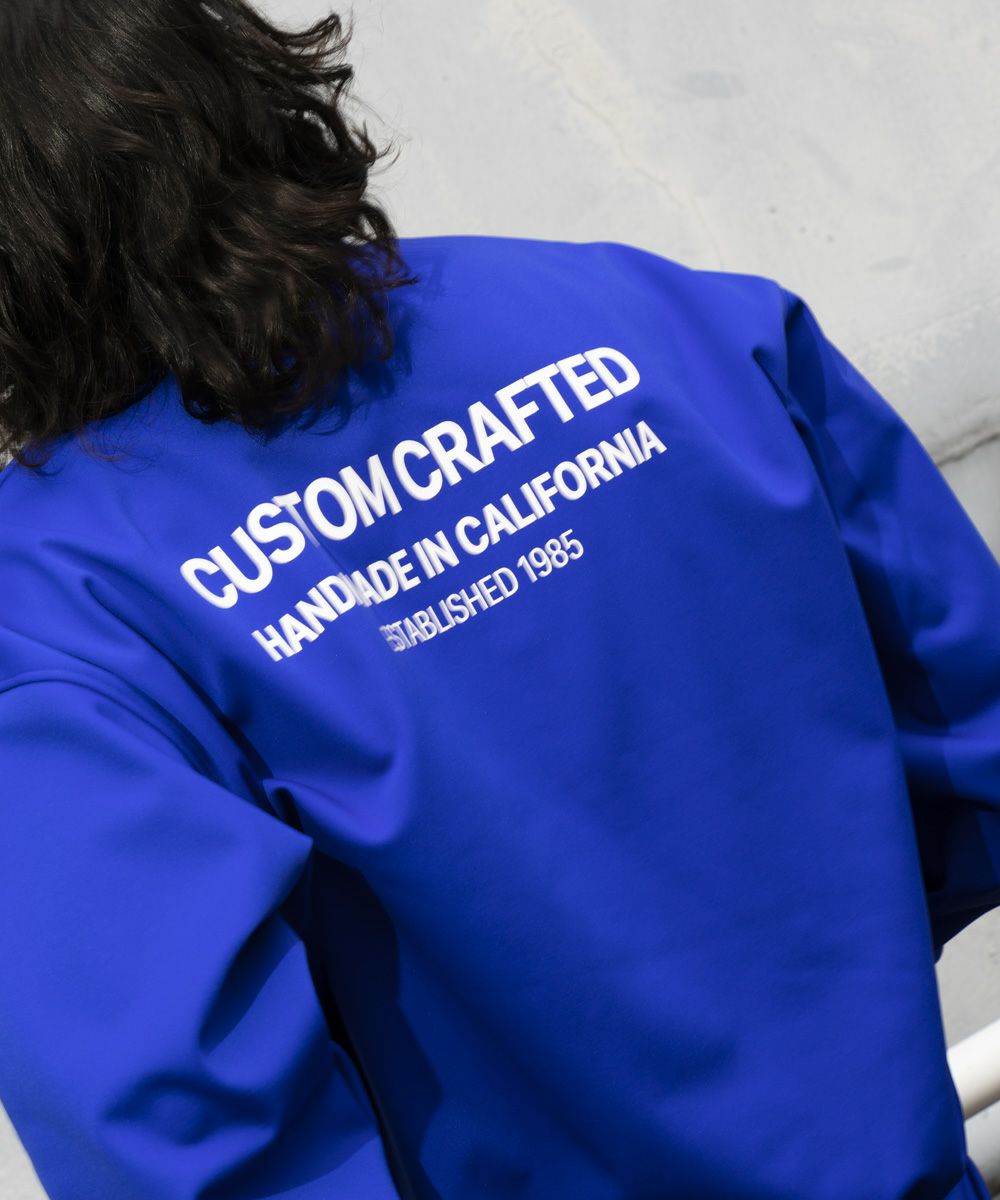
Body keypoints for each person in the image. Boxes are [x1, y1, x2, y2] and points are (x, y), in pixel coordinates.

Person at [0, 2, 997, 1198]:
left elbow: (185, 1141)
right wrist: (806, 1055)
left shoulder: (53, 610)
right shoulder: (659, 321)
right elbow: (970, 744)